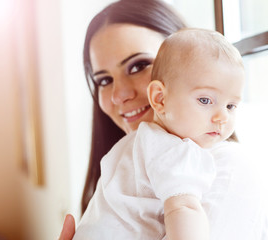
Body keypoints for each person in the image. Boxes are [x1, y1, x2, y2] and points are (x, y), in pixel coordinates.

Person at [58, 0, 268, 239]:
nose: (119, 95)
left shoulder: (230, 170)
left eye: (139, 66)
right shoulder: (124, 169)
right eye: (103, 80)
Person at [73, 28, 245, 240]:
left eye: (231, 106)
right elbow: (185, 209)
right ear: (160, 99)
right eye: (205, 100)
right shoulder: (175, 150)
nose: (222, 117)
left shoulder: (134, 143)